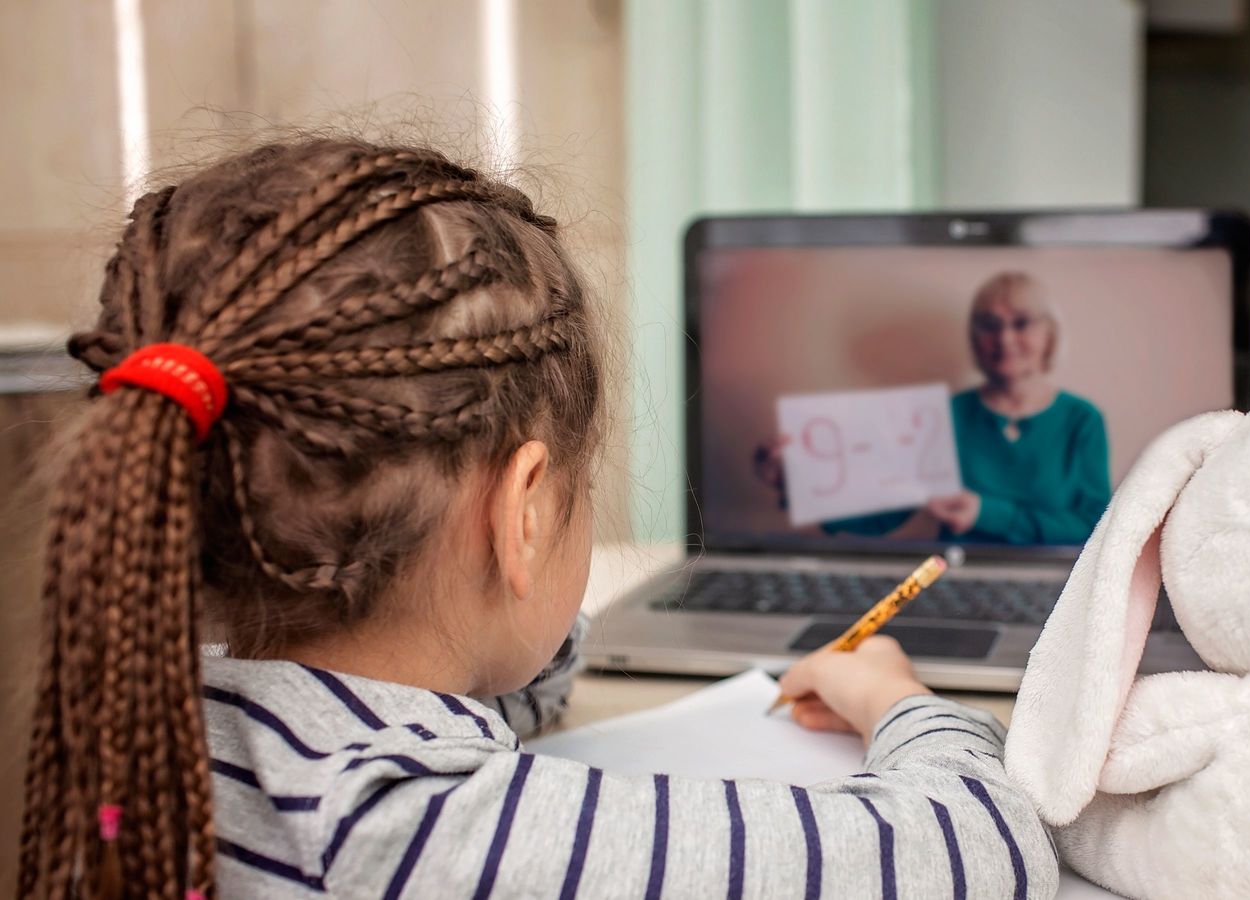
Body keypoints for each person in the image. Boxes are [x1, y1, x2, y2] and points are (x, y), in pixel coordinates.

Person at [19, 139, 1057, 899]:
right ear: (520, 515)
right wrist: (896, 699)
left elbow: (506, 692)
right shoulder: (436, 835)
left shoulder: (145, 718)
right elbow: (981, 847)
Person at [756, 271, 1110, 546]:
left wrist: (986, 514)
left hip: (1057, 584)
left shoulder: (1082, 419)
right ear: (974, 337)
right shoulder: (942, 415)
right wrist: (800, 481)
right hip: (954, 577)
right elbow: (885, 512)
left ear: (1050, 334)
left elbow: (1094, 527)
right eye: (989, 325)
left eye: (1021, 323)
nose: (1004, 339)